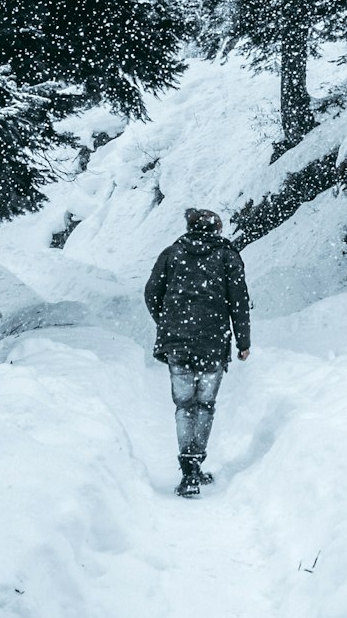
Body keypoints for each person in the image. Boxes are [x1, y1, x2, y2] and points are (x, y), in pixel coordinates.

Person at [144, 207, 251, 497]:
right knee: (204, 404)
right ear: (216, 229)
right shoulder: (227, 256)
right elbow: (239, 300)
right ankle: (195, 464)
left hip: (178, 341)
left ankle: (188, 469)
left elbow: (151, 292)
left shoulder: (172, 253)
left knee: (184, 406)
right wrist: (243, 342)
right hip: (213, 343)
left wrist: (168, 322)